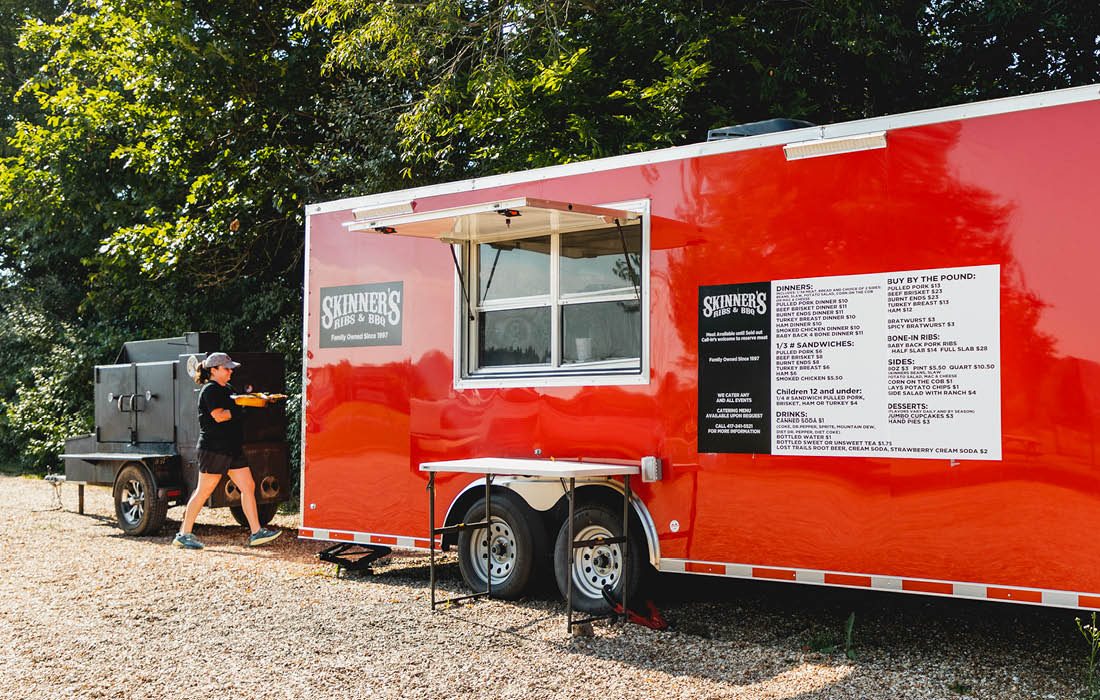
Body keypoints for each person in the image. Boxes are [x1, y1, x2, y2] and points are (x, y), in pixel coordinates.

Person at [173, 352, 281, 549]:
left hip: (231, 448)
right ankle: (184, 534)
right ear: (213, 370)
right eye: (226, 368)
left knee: (248, 486)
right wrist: (243, 408)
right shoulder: (209, 391)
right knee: (203, 491)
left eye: (231, 368)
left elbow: (237, 405)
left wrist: (257, 402)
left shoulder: (228, 389)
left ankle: (256, 532)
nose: (231, 371)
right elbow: (220, 416)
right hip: (214, 449)